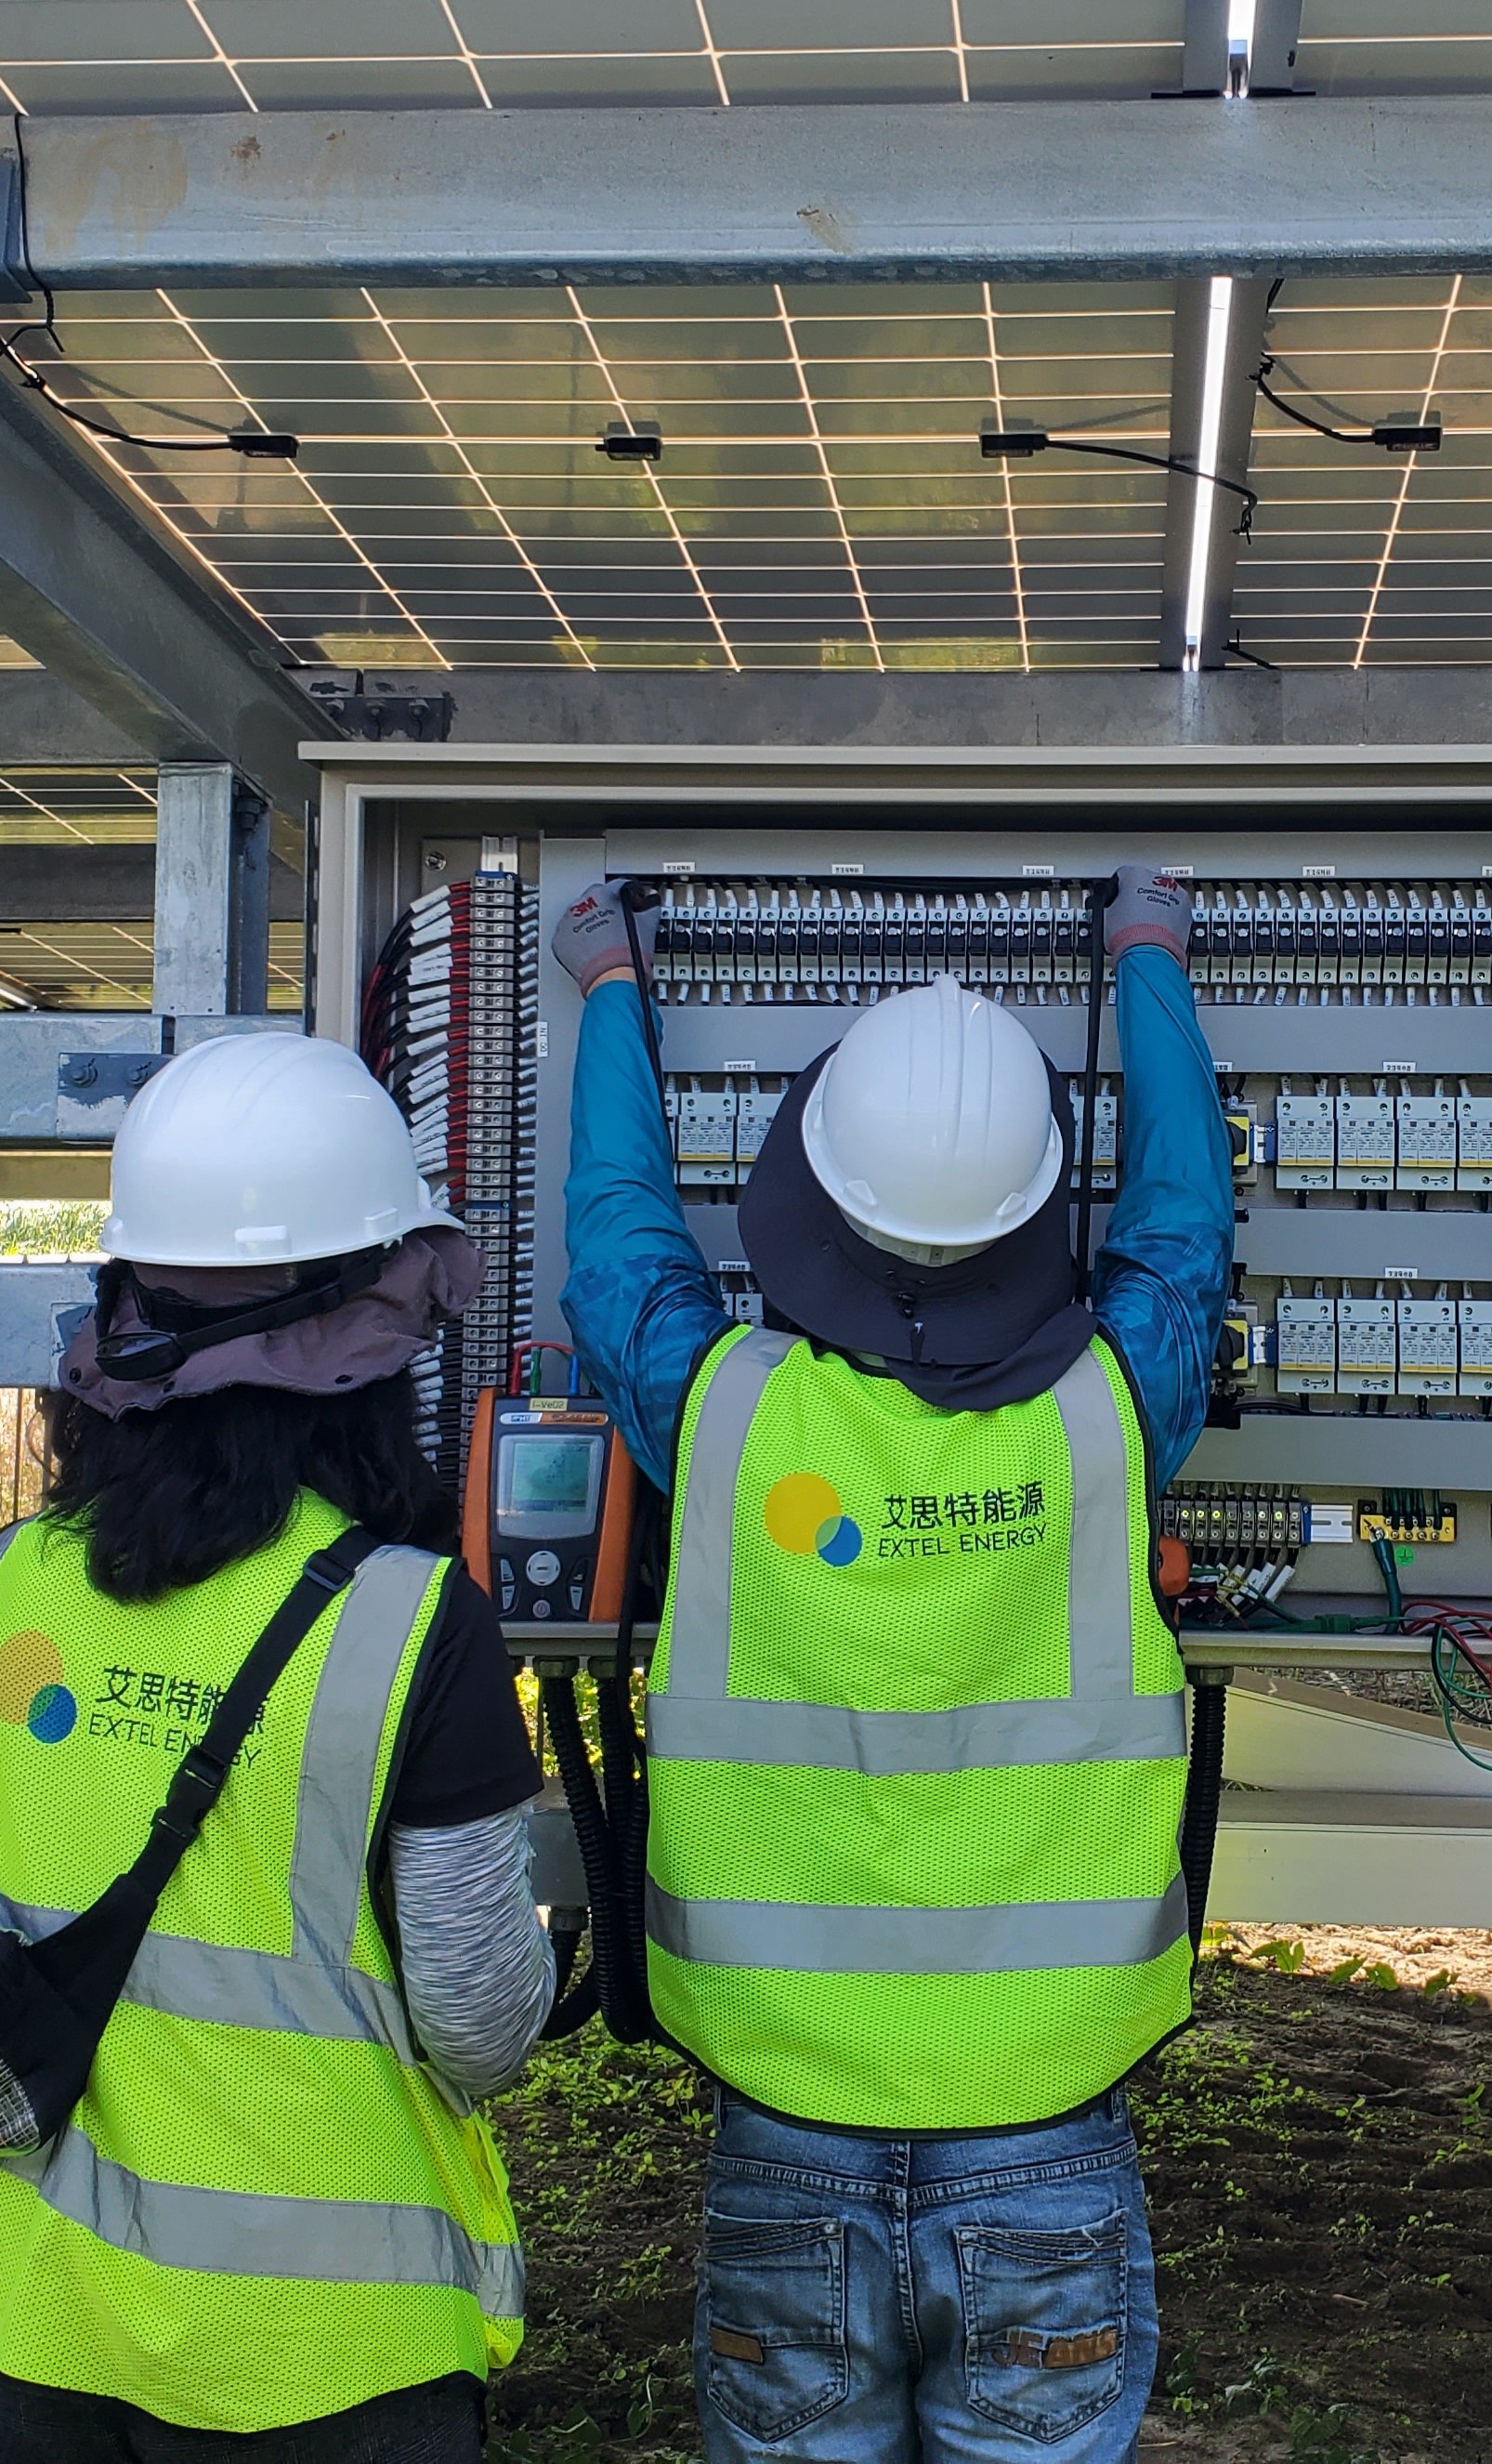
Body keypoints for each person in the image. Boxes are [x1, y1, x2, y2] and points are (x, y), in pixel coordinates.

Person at [555, 870, 1233, 2464]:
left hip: (784, 2117)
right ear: (1035, 1217)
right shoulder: (1114, 1409)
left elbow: (614, 1243)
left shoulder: (721, 1413)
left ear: (810, 1199)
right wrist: (1149, 956)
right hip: (1048, 2117)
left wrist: (608, 988)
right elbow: (1182, 1229)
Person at [0, 1030, 555, 2462]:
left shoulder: (8, 1582)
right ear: (373, 1345)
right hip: (328, 2359)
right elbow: (478, 2022)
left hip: (41, 2321)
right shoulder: (409, 1625)